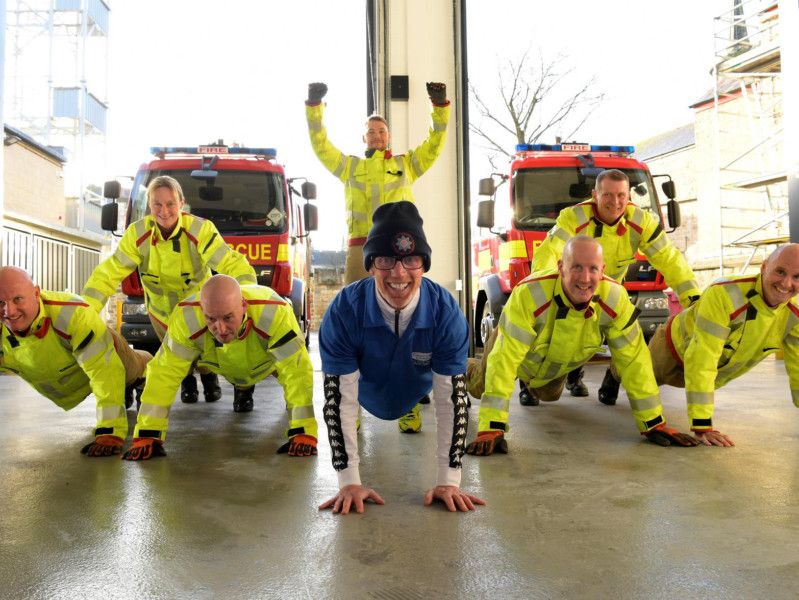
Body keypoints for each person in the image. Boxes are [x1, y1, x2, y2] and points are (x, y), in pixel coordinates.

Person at [468, 169, 700, 406]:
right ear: (595, 195)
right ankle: (526, 379)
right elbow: (550, 252)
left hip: (607, 297)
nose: (615, 202)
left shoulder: (641, 221)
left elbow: (668, 258)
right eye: (608, 195)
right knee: (547, 356)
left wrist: (692, 298)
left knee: (628, 342)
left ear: (629, 196)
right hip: (568, 290)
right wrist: (543, 292)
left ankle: (611, 378)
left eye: (621, 195)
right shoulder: (574, 217)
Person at [318, 201, 485, 514]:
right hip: (363, 391)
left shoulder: (446, 313)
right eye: (385, 260)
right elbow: (339, 400)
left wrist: (449, 479)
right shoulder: (343, 311)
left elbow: (451, 402)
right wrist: (348, 480)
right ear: (369, 266)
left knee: (458, 378)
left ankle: (463, 369)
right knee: (346, 402)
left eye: (410, 259)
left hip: (417, 387)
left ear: (423, 264)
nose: (398, 273)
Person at [465, 236, 697, 456]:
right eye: (576, 267)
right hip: (512, 351)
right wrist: (492, 426)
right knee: (479, 385)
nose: (585, 278)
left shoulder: (615, 299)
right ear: (561, 267)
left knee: (548, 395)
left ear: (602, 270)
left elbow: (635, 360)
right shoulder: (529, 294)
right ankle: (461, 368)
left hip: (552, 367)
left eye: (593, 269)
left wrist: (653, 422)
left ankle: (530, 383)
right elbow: (505, 359)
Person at [82, 175, 258, 411]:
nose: (164, 211)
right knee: (177, 357)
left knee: (211, 354)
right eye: (157, 204)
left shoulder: (200, 230)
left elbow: (230, 262)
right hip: (161, 315)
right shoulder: (137, 235)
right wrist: (85, 311)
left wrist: (249, 296)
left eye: (170, 204)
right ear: (149, 206)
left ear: (181, 203)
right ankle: (188, 382)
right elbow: (108, 273)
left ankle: (211, 379)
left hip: (198, 312)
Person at [121, 274, 317, 460]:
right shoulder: (186, 318)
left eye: (228, 318)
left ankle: (245, 389)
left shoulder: (274, 312)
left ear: (244, 305)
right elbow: (164, 374)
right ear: (201, 310)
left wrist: (303, 432)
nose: (220, 329)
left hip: (266, 365)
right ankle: (243, 387)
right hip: (219, 364)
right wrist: (148, 433)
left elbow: (296, 371)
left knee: (292, 370)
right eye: (211, 319)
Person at [648, 243, 799, 447]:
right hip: (670, 349)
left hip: (708, 374)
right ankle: (612, 376)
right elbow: (703, 356)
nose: (786, 283)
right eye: (780, 271)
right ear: (764, 267)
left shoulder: (794, 315)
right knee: (634, 377)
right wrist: (702, 426)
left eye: (797, 277)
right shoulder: (724, 293)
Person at [305, 81, 450, 284]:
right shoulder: (349, 167)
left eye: (381, 131)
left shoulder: (406, 165)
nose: (377, 136)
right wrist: (314, 106)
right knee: (355, 303)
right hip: (360, 246)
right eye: (371, 132)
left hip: (399, 243)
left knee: (402, 300)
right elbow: (321, 146)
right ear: (363, 137)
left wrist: (439, 105)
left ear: (389, 136)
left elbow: (434, 143)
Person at [0, 267, 151, 456]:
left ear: (36, 293)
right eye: (1, 302)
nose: (9, 311)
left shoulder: (72, 314)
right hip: (75, 375)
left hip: (109, 352)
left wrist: (110, 432)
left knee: (136, 367)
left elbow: (105, 371)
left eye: (17, 299)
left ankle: (142, 377)